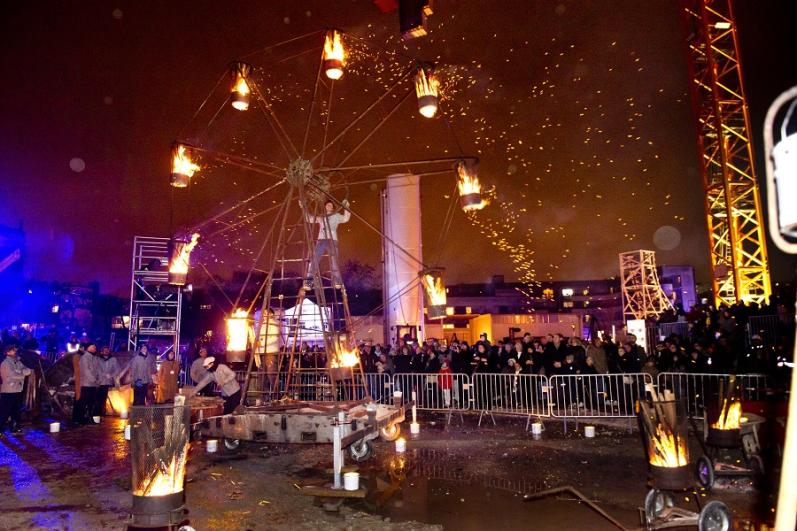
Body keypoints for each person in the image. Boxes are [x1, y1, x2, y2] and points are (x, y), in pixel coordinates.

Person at [304, 198, 351, 287]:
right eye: (327, 205)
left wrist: (346, 207)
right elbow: (308, 218)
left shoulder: (336, 216)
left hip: (332, 240)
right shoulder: (321, 216)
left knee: (334, 260)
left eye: (330, 205)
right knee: (314, 259)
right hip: (321, 240)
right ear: (325, 207)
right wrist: (303, 207)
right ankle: (309, 281)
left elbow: (345, 218)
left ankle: (337, 281)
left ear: (333, 207)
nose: (329, 206)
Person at [0, 345, 31, 434]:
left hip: (17, 390)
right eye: (13, 350)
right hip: (8, 391)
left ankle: (15, 427)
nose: (15, 352)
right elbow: (11, 375)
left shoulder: (17, 361)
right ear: (8, 352)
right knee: (4, 411)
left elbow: (27, 370)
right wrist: (22, 374)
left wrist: (20, 373)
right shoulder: (5, 363)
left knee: (16, 411)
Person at [75, 343, 100, 425]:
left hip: (92, 384)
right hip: (86, 384)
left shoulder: (94, 358)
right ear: (88, 348)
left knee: (91, 402)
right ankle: (81, 419)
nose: (94, 348)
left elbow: (96, 370)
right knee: (84, 402)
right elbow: (86, 371)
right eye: (93, 347)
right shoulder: (85, 358)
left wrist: (97, 379)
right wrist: (94, 380)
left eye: (95, 347)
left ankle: (89, 418)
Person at [95, 346, 120, 416]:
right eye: (104, 350)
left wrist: (111, 375)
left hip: (107, 382)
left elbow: (117, 369)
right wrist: (104, 374)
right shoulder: (98, 359)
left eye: (107, 350)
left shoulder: (113, 359)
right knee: (97, 399)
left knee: (103, 399)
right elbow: (96, 369)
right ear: (101, 351)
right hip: (98, 382)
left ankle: (102, 413)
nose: (106, 351)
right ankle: (96, 413)